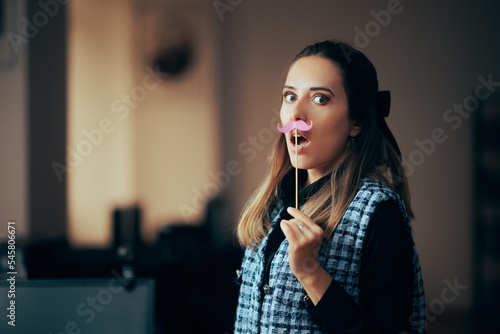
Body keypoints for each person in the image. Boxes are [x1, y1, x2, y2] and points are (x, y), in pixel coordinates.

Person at [233, 40, 426, 333]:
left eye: (320, 99)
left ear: (356, 122)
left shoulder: (379, 212)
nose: (296, 114)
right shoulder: (274, 203)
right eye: (289, 96)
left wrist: (312, 274)